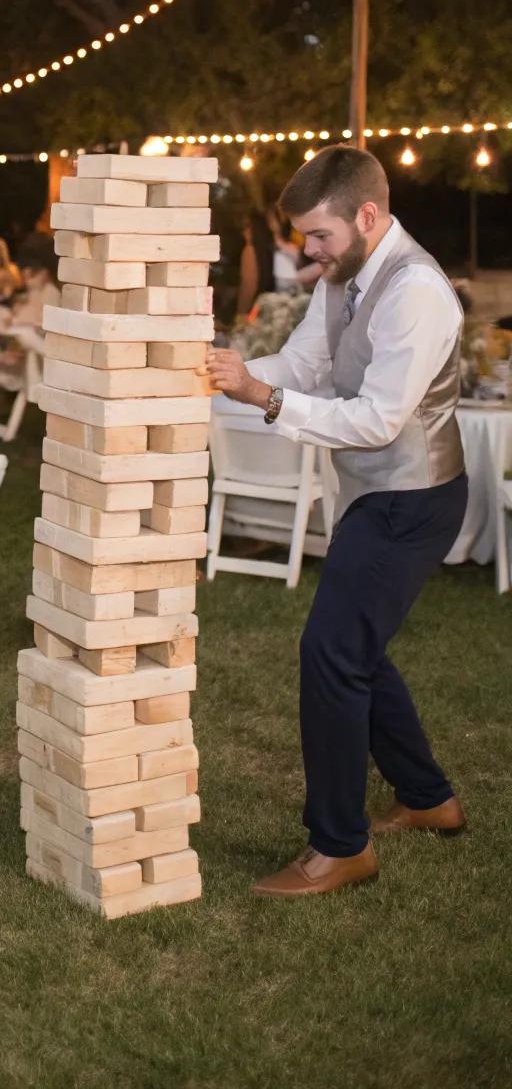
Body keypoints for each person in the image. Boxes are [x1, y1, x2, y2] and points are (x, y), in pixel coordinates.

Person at [206, 145, 467, 898]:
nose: (307, 252)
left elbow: (381, 421)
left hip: (414, 500)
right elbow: (302, 362)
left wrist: (264, 398)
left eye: (318, 237)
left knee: (331, 654)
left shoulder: (416, 291)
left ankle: (339, 846)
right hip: (372, 497)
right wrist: (232, 372)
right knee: (356, 650)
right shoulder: (344, 276)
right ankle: (428, 799)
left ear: (367, 215)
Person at [236, 212, 275, 319]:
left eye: (246, 225)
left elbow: (248, 285)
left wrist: (241, 312)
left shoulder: (249, 250)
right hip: (264, 308)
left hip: (251, 311)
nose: (243, 230)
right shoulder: (268, 250)